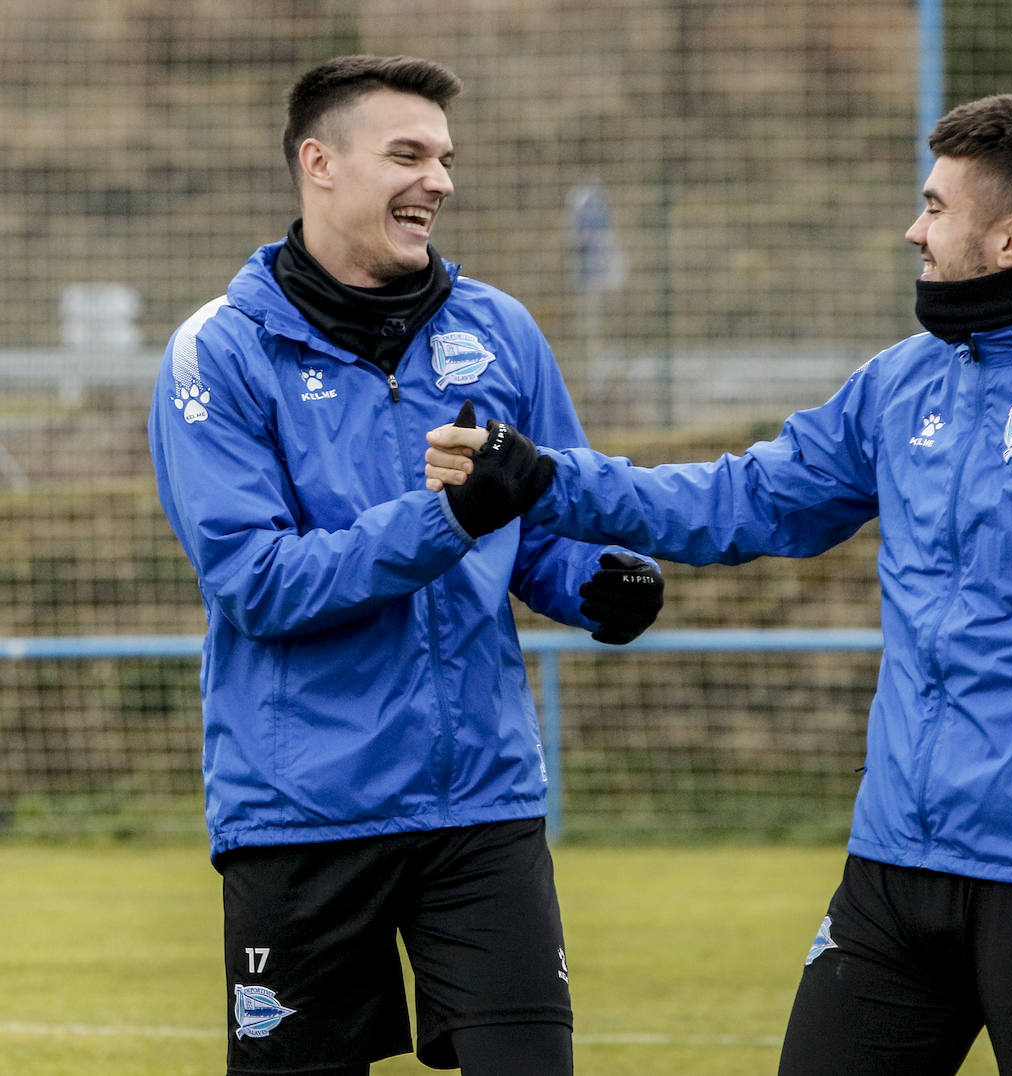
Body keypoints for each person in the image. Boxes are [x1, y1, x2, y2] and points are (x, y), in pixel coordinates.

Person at [424, 91, 1012, 1075]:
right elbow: (744, 500)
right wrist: (554, 482)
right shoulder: (901, 382)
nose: (914, 227)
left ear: (1011, 237)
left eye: (936, 206)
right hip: (892, 867)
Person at [148, 55, 664, 1076]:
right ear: (320, 163)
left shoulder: (500, 329)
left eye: (445, 157)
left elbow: (543, 523)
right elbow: (257, 581)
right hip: (301, 810)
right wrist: (447, 518)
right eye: (408, 154)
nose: (440, 179)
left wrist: (600, 581)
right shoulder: (219, 352)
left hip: (481, 798)